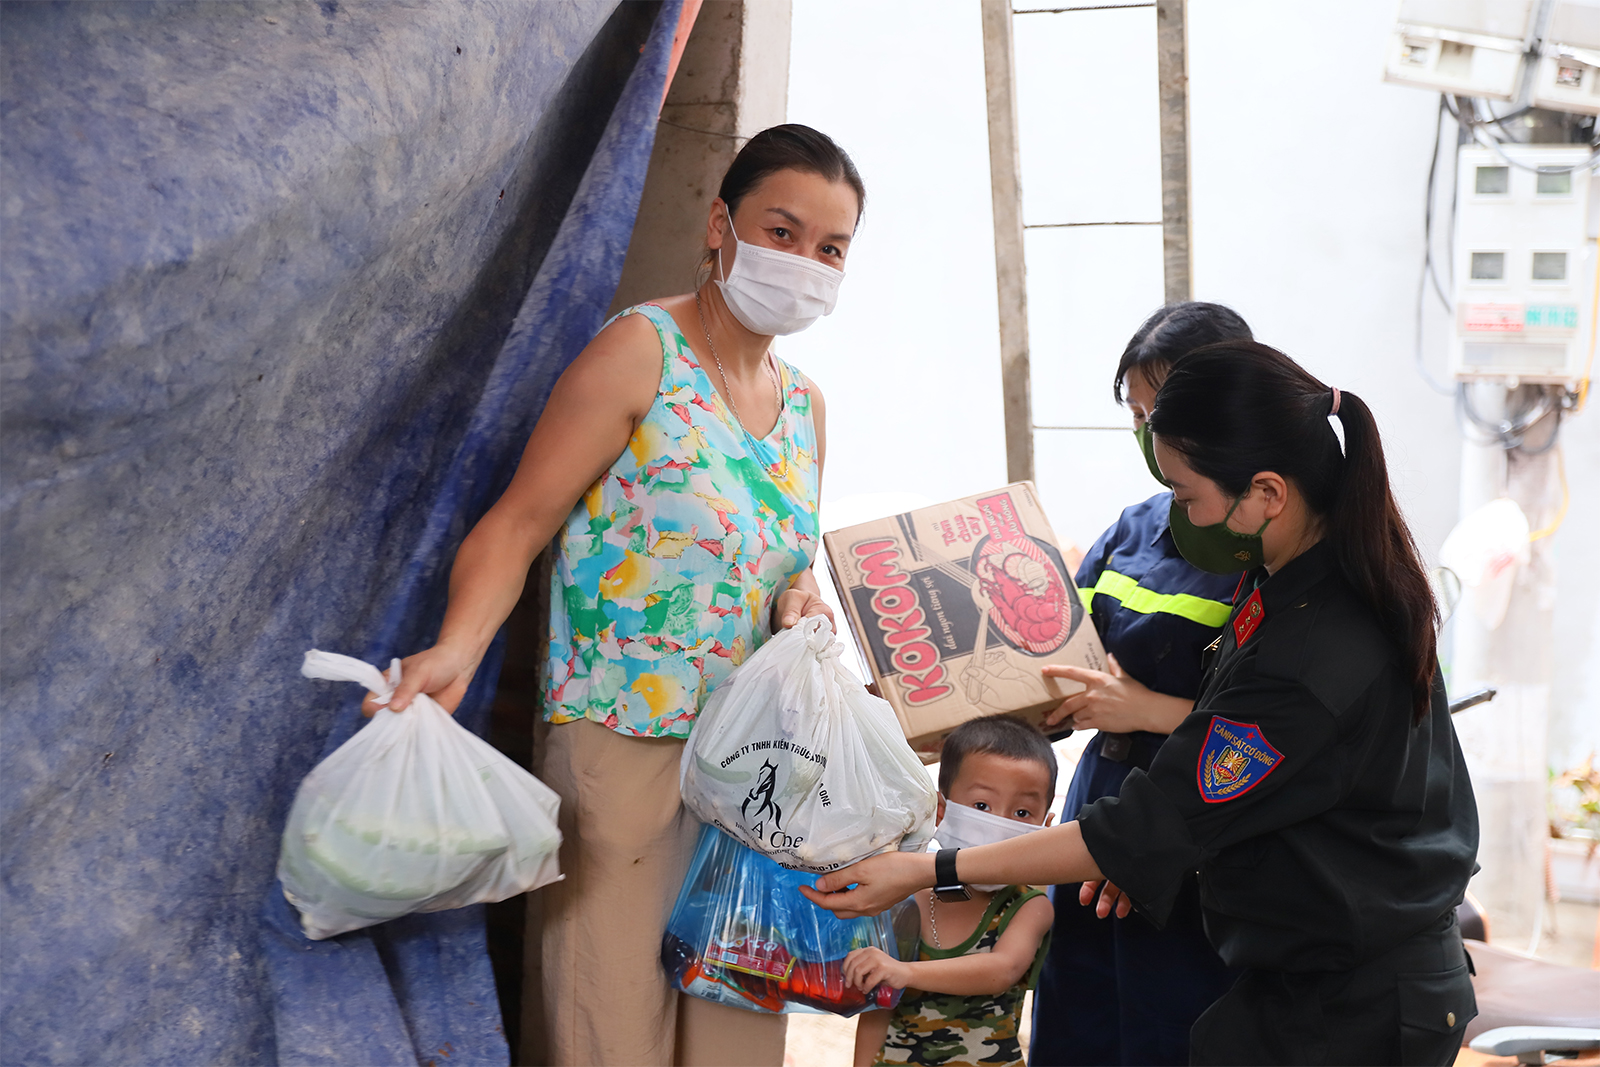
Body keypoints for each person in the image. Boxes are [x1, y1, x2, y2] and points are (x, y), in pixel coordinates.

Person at [802, 341, 1480, 1067]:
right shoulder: (1289, 584)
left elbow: (1154, 814)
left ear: (1267, 494)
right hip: (1304, 979)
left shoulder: (1315, 647)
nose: (1177, 515)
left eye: (1188, 496)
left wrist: (925, 870)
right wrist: (1151, 854)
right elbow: (1250, 785)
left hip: (1356, 1004)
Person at [366, 124, 864, 1067]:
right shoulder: (642, 350)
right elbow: (517, 523)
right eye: (783, 231)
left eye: (830, 249)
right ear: (722, 224)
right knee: (610, 1021)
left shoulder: (807, 407)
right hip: (622, 739)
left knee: (736, 1020)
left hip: (752, 766)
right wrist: (457, 651)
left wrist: (803, 599)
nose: (804, 262)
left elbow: (781, 559)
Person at [1029, 303, 1252, 1067]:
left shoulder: (1268, 542)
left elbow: (1282, 727)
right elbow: (1063, 661)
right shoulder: (1133, 528)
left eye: (1162, 411)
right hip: (1099, 804)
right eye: (1137, 414)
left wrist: (1148, 709)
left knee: (1172, 1029)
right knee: (1077, 1018)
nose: (1150, 433)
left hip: (1201, 832)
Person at [847, 716, 1057, 1067]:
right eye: (981, 806)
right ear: (941, 811)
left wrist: (905, 971)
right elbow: (877, 1010)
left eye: (1022, 812)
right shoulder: (904, 899)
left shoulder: (1028, 906)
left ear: (1046, 827)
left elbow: (1001, 970)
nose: (999, 824)